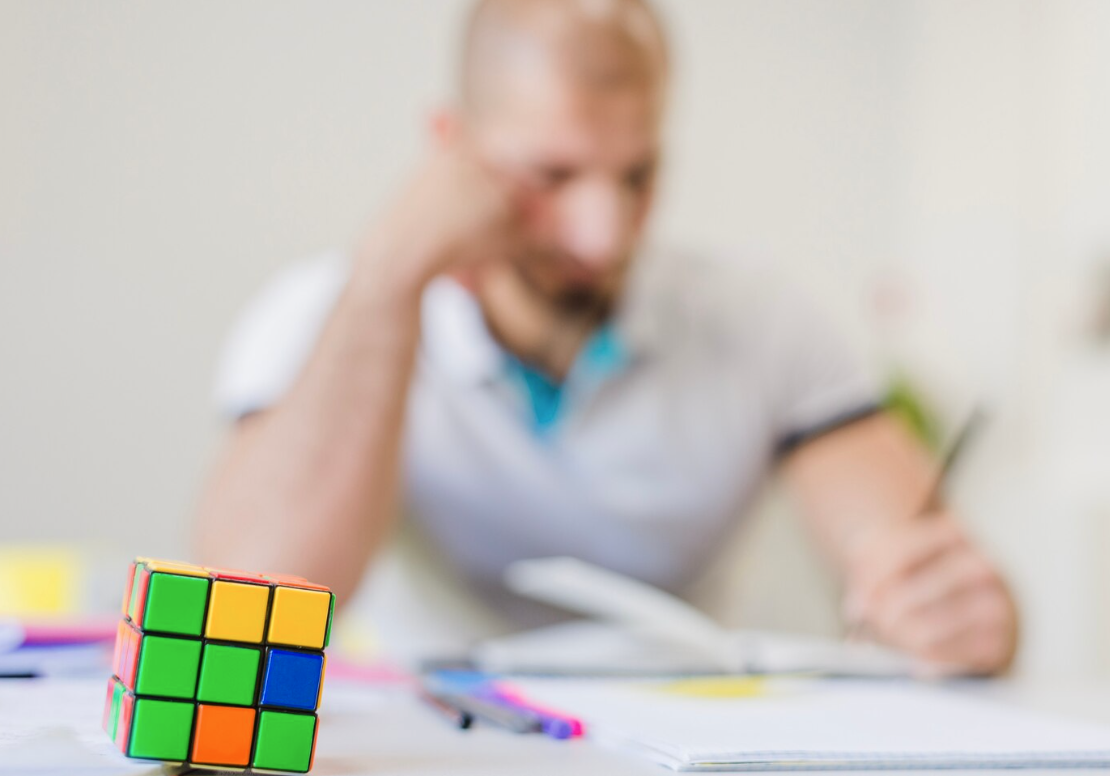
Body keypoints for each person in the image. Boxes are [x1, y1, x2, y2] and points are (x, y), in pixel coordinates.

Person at [195, 0, 1018, 674]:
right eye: (552, 177)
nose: (604, 236)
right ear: (453, 147)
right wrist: (389, 281)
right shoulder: (320, 317)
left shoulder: (762, 322)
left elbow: (917, 559)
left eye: (637, 175)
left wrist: (958, 614)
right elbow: (246, 613)